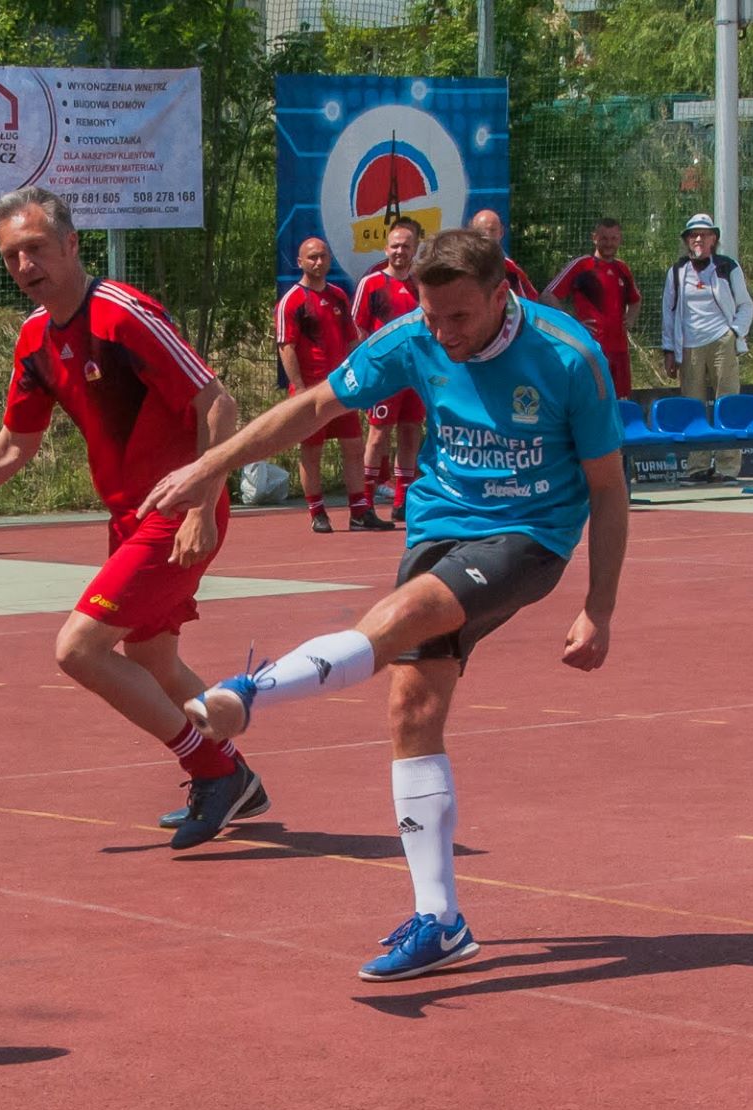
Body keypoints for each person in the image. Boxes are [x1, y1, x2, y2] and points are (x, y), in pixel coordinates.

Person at [137, 229, 628, 981]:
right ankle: (441, 921)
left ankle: (248, 694)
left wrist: (598, 606)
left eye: (459, 317)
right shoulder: (411, 337)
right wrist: (211, 464)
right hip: (437, 527)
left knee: (401, 617)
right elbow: (308, 409)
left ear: (504, 295)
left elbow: (607, 488)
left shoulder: (569, 358)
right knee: (410, 708)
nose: (442, 333)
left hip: (528, 538)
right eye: (432, 316)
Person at [0, 184, 267, 851]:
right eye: (13, 255)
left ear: (72, 245)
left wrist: (203, 503)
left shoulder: (123, 313)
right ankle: (235, 770)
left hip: (178, 504)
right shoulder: (36, 338)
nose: (25, 265)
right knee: (152, 657)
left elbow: (219, 403)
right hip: (130, 515)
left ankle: (210, 766)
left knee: (77, 648)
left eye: (37, 248)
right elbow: (16, 444)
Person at [275, 237, 395, 534]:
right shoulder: (291, 300)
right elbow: (286, 346)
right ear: (300, 262)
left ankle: (359, 511)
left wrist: (360, 380)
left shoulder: (340, 296)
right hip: (310, 393)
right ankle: (317, 511)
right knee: (311, 452)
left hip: (341, 389)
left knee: (354, 447)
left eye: (323, 257)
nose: (318, 262)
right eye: (312, 257)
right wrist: (300, 390)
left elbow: (353, 341)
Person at [660, 212, 753, 484]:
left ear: (714, 239)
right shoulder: (677, 271)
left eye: (704, 234)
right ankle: (697, 466)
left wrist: (734, 333)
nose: (698, 239)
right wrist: (669, 350)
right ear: (687, 240)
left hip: (721, 342)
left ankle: (727, 467)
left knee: (727, 402)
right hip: (689, 347)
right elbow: (669, 312)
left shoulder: (727, 267)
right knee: (693, 407)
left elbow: (746, 305)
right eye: (693, 235)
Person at [351, 217, 426, 523]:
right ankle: (364, 505)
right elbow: (357, 329)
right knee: (378, 435)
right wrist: (369, 369)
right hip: (385, 374)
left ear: (415, 248)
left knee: (410, 433)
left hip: (416, 373)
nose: (399, 251)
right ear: (386, 247)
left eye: (406, 246)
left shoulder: (422, 282)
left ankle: (402, 501)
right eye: (394, 245)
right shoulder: (371, 283)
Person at [545, 218, 641, 399]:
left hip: (619, 352)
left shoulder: (623, 269)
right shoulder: (582, 265)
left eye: (613, 239)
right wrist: (572, 323)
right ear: (594, 238)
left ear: (620, 239)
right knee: (593, 400)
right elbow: (547, 295)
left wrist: (631, 319)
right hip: (591, 350)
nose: (609, 243)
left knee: (621, 403)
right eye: (604, 238)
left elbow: (636, 300)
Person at [469, 209, 538, 301]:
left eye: (492, 230)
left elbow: (528, 302)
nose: (487, 235)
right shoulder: (462, 265)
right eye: (481, 231)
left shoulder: (510, 269)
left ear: (501, 232)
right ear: (472, 233)